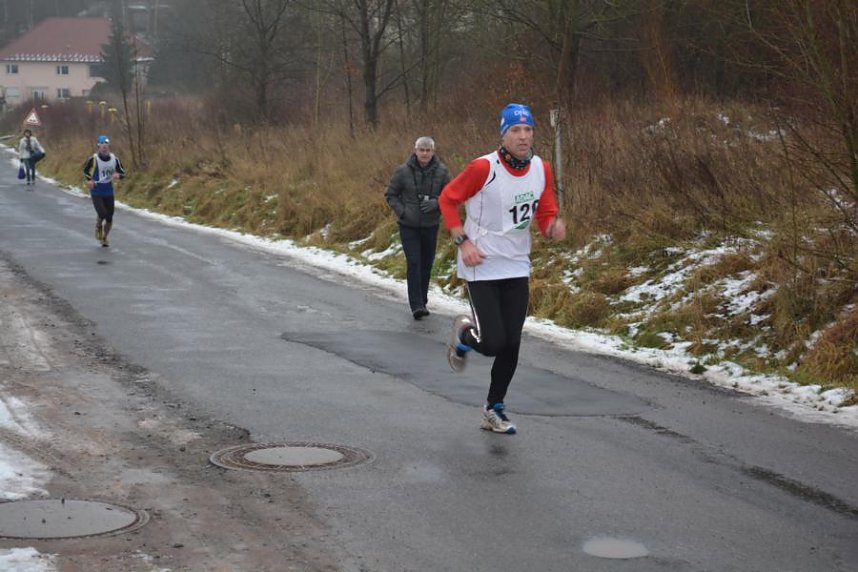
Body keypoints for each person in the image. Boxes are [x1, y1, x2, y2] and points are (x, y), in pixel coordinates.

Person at [438, 103, 566, 434]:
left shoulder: (541, 168)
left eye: (528, 129)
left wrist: (551, 227)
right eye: (515, 130)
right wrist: (462, 241)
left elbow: (544, 210)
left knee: (512, 343)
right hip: (481, 262)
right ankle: (464, 335)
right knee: (493, 341)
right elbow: (448, 199)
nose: (524, 137)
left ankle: (494, 408)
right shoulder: (483, 168)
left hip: (516, 263)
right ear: (503, 135)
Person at [385, 136, 451, 319]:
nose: (424, 153)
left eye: (428, 150)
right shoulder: (402, 171)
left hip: (431, 225)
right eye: (421, 150)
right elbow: (391, 195)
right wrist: (403, 212)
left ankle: (422, 300)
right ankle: (416, 305)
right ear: (415, 151)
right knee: (414, 263)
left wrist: (437, 203)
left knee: (426, 265)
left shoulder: (442, 172)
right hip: (409, 226)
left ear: (433, 152)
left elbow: (451, 195)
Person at [82, 135, 126, 247]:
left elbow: (123, 173)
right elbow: (85, 170)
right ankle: (98, 225)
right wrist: (89, 180)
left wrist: (118, 175)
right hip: (96, 190)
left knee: (109, 217)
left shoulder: (114, 159)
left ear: (109, 146)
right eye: (102, 145)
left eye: (106, 145)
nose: (104, 147)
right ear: (98, 146)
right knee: (102, 213)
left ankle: (105, 238)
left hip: (108, 190)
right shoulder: (93, 159)